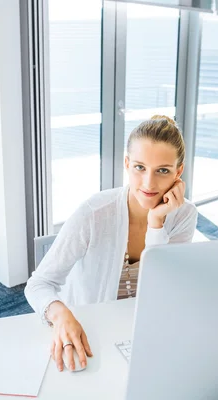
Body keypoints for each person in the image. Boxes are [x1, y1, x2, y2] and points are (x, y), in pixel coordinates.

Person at [25, 115, 198, 372]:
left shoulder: (184, 215)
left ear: (178, 172)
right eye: (140, 167)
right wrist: (60, 314)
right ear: (127, 164)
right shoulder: (93, 213)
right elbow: (39, 284)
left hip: (143, 329)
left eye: (162, 170)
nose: (149, 183)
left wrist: (156, 223)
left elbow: (166, 286)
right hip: (89, 328)